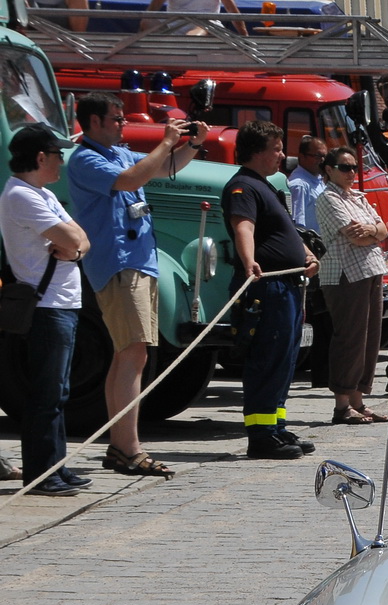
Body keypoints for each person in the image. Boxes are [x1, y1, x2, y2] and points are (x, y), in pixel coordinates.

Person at [67, 91, 203, 479]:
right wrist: (165, 140)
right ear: (94, 121)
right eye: (116, 118)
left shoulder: (120, 153)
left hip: (139, 262)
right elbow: (131, 181)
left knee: (128, 353)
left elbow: (163, 167)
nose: (122, 124)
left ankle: (121, 445)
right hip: (119, 264)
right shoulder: (86, 159)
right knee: (134, 352)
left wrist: (192, 144)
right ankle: (128, 448)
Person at [2, 124, 91, 496]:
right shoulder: (21, 195)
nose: (61, 163)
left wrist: (76, 249)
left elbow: (82, 241)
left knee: (59, 392)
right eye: (58, 155)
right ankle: (41, 474)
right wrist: (75, 246)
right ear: (41, 158)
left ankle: (55, 466)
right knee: (47, 393)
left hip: (62, 304)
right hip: (46, 307)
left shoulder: (44, 194)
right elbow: (72, 238)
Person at [223, 120, 320, 459]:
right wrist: (249, 261)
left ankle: (276, 427)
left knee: (285, 360)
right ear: (256, 152)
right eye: (276, 149)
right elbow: (243, 227)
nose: (282, 155)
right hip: (266, 287)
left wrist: (306, 254)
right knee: (267, 359)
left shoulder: (266, 186)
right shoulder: (243, 187)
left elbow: (285, 231)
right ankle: (261, 436)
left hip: (287, 286)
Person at [313, 144, 388, 424]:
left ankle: (358, 400)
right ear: (329, 170)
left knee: (370, 338)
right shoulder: (328, 198)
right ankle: (342, 405)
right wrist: (372, 233)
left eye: (355, 167)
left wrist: (372, 231)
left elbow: (383, 229)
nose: (352, 172)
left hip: (372, 270)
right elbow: (354, 236)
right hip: (345, 274)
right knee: (350, 337)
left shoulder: (358, 197)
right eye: (345, 167)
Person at [287, 134, 330, 395]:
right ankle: (318, 373)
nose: (322, 160)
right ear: (302, 156)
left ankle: (325, 373)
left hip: (325, 253)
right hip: (312, 254)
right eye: (317, 156)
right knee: (317, 316)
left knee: (326, 317)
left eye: (324, 156)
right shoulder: (299, 184)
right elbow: (298, 224)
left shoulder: (319, 180)